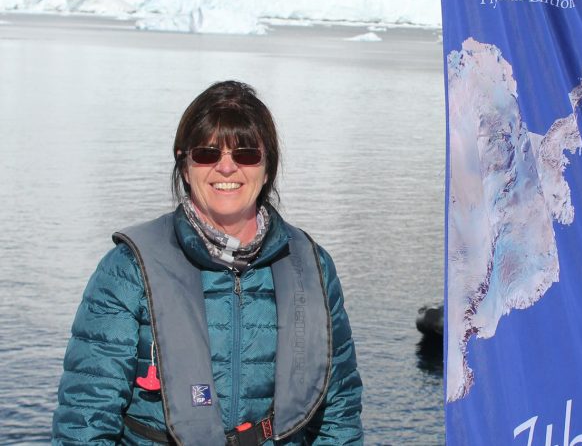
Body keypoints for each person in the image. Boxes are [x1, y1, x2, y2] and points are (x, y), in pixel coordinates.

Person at [52, 81, 363, 445]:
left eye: (246, 154)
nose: (226, 168)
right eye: (207, 153)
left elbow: (338, 414)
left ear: (267, 167)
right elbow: (86, 419)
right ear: (185, 167)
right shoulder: (129, 269)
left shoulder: (312, 267)